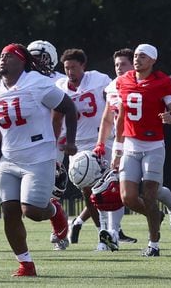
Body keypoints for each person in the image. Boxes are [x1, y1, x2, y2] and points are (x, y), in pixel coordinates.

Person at [0, 43, 78, 277]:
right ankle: (26, 263)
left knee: (32, 211)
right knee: (10, 210)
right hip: (10, 158)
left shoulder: (37, 82)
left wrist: (71, 141)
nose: (3, 60)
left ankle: (54, 211)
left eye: (9, 56)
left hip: (39, 154)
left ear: (22, 61)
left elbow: (69, 107)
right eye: (1, 56)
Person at [94, 48, 171, 250]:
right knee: (128, 198)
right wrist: (117, 150)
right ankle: (156, 215)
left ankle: (154, 244)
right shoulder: (123, 81)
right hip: (131, 146)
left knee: (150, 194)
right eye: (135, 56)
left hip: (153, 146)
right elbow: (120, 119)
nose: (137, 59)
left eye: (142, 56)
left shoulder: (162, 81)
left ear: (153, 60)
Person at [54, 48, 111, 250]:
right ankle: (101, 233)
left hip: (101, 140)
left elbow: (113, 101)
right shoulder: (59, 85)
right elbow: (55, 114)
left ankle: (111, 231)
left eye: (74, 67)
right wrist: (58, 138)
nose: (70, 72)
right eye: (66, 68)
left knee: (107, 189)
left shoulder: (99, 79)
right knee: (88, 192)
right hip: (76, 145)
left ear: (83, 67)